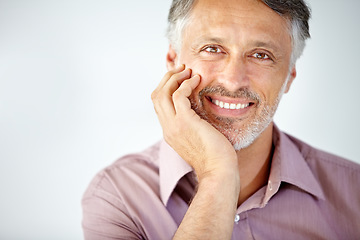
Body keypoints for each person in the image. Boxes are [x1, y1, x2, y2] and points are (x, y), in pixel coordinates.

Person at [82, 0, 360, 239]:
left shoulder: (354, 192)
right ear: (172, 59)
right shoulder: (117, 195)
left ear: (289, 77)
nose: (233, 79)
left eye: (261, 55)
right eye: (213, 49)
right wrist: (218, 175)